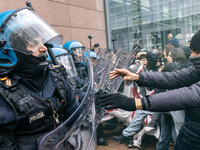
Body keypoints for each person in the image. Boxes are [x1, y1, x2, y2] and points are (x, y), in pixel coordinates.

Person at [97, 29, 200, 150]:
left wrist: (134, 103)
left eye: (196, 52)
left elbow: (188, 95)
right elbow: (174, 77)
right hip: (191, 125)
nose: (192, 56)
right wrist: (138, 77)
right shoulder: (196, 69)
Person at [0, 8, 79, 150]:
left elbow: (77, 118)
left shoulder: (56, 80)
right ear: (13, 50)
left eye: (42, 43)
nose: (43, 48)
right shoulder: (4, 94)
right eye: (35, 44)